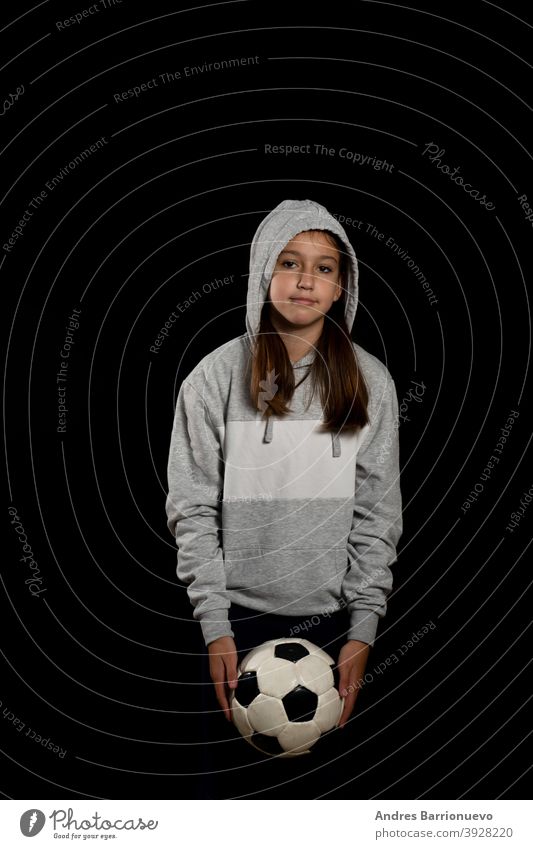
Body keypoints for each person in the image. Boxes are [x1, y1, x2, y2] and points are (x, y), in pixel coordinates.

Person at [165, 198, 403, 795]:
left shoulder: (370, 383)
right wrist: (215, 625)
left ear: (342, 284)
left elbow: (378, 514)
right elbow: (191, 507)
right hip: (230, 627)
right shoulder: (214, 379)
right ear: (261, 273)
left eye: (324, 267)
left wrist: (363, 629)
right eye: (290, 262)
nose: (306, 279)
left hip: (332, 630)